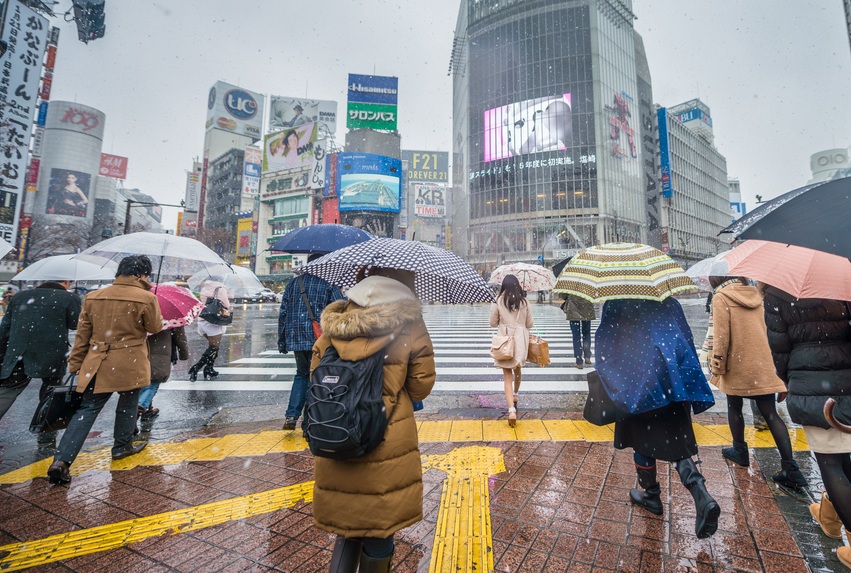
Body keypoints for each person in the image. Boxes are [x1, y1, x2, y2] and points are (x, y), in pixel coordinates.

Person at [310, 266, 435, 572]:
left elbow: (316, 373)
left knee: (348, 527)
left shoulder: (336, 322)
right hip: (385, 435)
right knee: (379, 529)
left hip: (337, 429)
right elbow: (420, 388)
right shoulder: (409, 324)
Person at [596, 297, 720, 539]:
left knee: (641, 438)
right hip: (671, 378)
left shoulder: (617, 302)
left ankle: (651, 494)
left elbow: (606, 347)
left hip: (636, 380)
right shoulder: (669, 301)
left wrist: (611, 377)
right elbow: (685, 338)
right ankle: (701, 494)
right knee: (675, 441)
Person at [47, 255, 163, 485]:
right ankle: (122, 446)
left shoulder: (93, 296)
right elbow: (155, 327)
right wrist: (149, 295)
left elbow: (83, 335)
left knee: (88, 408)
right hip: (129, 360)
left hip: (97, 359)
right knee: (128, 403)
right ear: (141, 275)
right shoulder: (146, 297)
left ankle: (61, 460)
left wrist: (76, 363)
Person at [763, 286, 851, 567]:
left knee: (829, 461)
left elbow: (780, 350)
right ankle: (829, 516)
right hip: (846, 377)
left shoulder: (778, 292)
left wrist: (789, 381)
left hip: (808, 381)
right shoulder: (841, 283)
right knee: (844, 452)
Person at [708, 276, 806, 489]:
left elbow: (721, 337)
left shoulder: (721, 297)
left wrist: (717, 365)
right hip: (762, 364)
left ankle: (740, 450)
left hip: (737, 363)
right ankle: (791, 468)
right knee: (771, 415)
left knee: (735, 408)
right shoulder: (758, 295)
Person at [0, 279, 81, 449]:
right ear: (66, 281)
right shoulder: (69, 298)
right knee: (50, 394)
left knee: (8, 391)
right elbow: (75, 324)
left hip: (18, 352)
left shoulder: (20, 296)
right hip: (51, 353)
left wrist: (3, 355)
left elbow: (5, 328)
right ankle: (46, 434)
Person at [277, 256, 344, 430]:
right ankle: (309, 418)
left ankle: (292, 414)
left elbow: (283, 312)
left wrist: (282, 340)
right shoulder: (328, 283)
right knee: (317, 376)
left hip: (297, 336)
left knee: (301, 374)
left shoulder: (293, 283)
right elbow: (340, 310)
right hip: (320, 338)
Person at [490, 274, 533, 427]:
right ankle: (515, 395)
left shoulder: (498, 300)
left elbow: (492, 323)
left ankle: (511, 410)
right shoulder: (525, 301)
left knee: (507, 375)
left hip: (505, 341)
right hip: (520, 339)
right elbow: (529, 324)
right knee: (518, 369)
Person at [137, 324, 189, 428]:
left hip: (139, 350)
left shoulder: (138, 308)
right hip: (159, 352)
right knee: (152, 383)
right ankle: (137, 411)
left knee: (144, 380)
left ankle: (148, 410)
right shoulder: (171, 314)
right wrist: (184, 354)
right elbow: (180, 336)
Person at [188, 281, 230, 382]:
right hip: (213, 322)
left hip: (203, 320)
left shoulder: (205, 287)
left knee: (214, 348)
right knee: (214, 348)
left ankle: (209, 369)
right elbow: (226, 304)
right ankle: (196, 368)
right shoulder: (220, 288)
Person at [560, 293, 595, 369]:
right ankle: (587, 356)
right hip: (587, 307)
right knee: (586, 333)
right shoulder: (588, 281)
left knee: (576, 336)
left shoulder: (569, 282)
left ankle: (579, 361)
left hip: (573, 308)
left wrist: (568, 297)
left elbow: (562, 295)